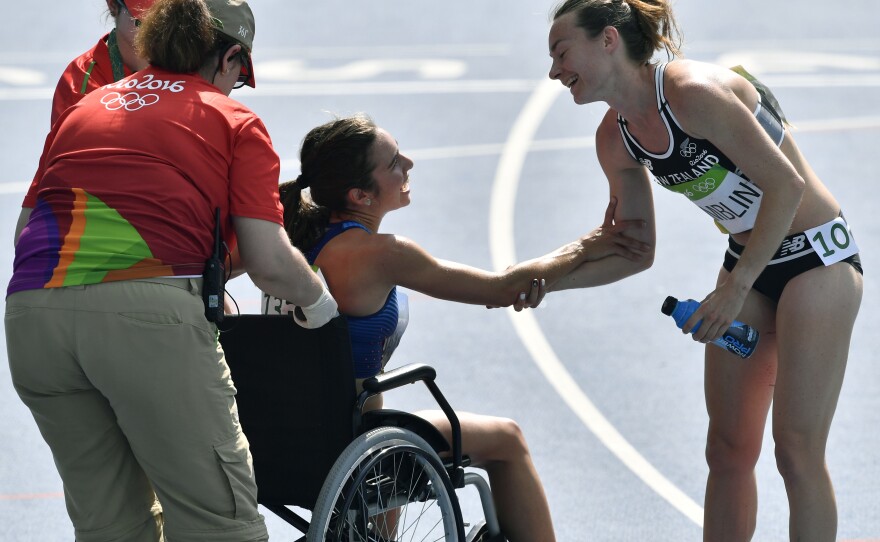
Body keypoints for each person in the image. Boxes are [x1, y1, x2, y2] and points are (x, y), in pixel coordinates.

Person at [5, 0, 336, 540]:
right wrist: (323, 307)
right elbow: (269, 262)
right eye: (241, 75)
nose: (237, 88)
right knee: (219, 523)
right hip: (144, 315)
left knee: (112, 527)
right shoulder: (232, 118)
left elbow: (24, 232)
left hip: (32, 316)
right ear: (229, 57)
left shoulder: (85, 106)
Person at [546, 1, 864, 541]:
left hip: (816, 258)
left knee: (795, 448)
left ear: (607, 41)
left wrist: (734, 289)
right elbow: (634, 249)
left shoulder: (692, 94)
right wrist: (544, 281)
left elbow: (786, 187)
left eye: (560, 51)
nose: (554, 71)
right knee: (728, 449)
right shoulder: (614, 139)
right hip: (749, 265)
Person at [262, 114, 652, 542]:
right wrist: (588, 244)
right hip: (352, 440)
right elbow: (502, 288)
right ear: (359, 195)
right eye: (393, 162)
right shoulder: (380, 254)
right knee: (507, 441)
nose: (408, 163)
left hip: (286, 437)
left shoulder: (290, 242)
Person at [50, 0, 155, 127]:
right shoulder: (80, 83)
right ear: (113, 5)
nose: (160, 29)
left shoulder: (185, 64)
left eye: (169, 17)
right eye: (144, 21)